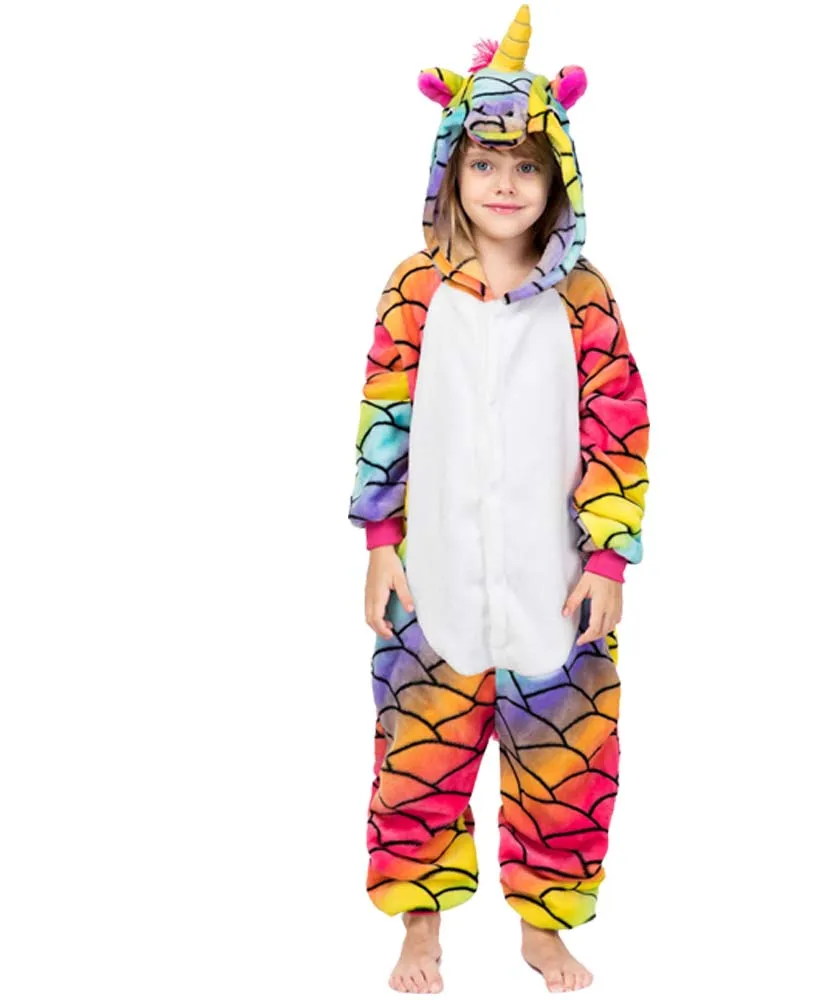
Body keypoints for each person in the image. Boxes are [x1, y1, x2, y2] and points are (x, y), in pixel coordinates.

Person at [347, 5, 650, 993]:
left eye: (526, 166)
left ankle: (543, 926)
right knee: (415, 755)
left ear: (557, 180)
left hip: (557, 584)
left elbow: (619, 427)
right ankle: (419, 923)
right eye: (484, 164)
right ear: (452, 171)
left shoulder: (585, 299)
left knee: (568, 761)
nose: (505, 184)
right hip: (428, 574)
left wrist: (608, 556)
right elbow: (382, 414)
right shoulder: (412, 290)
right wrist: (379, 542)